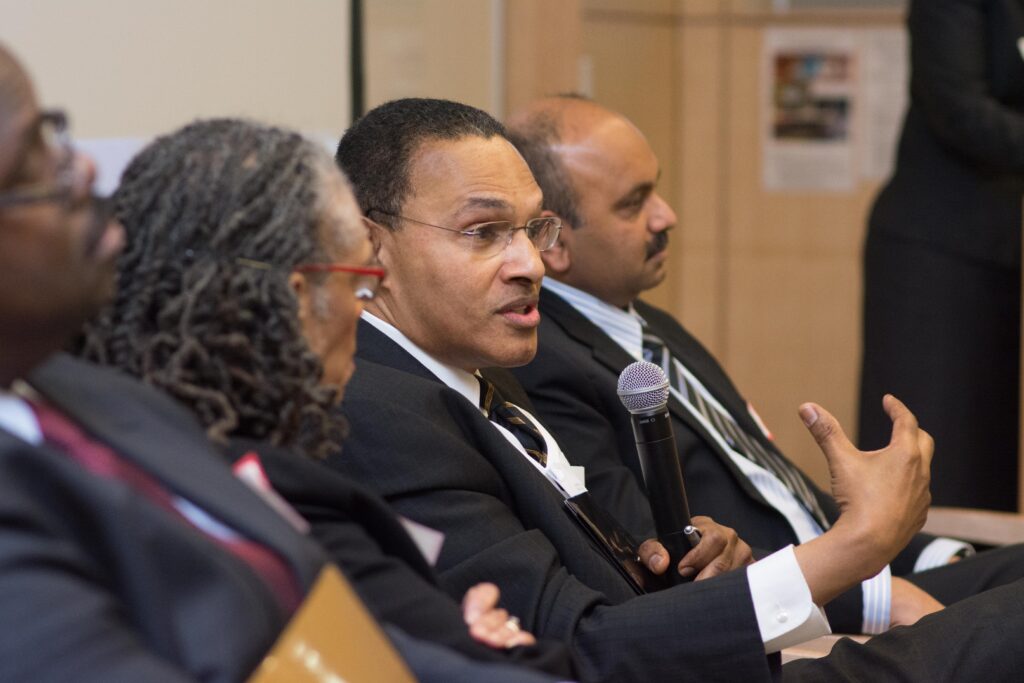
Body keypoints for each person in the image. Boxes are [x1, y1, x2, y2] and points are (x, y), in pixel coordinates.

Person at [330, 96, 1024, 681]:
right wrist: (854, 547)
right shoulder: (380, 411)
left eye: (533, 228)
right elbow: (581, 646)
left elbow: (603, 586)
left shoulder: (467, 368)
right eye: (483, 232)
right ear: (369, 249)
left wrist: (692, 562)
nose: (530, 263)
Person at [0, 44, 563, 683]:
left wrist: (473, 652)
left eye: (56, 135)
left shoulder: (93, 397)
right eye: (27, 160)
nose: (77, 168)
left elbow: (315, 617)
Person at [505, 95, 1024, 636]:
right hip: (804, 614)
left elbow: (778, 490)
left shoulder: (645, 322)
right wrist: (878, 596)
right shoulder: (546, 365)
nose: (667, 215)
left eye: (656, 187)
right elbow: (653, 560)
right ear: (555, 241)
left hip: (857, 576)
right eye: (635, 203)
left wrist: (936, 556)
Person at [859, 0, 1024, 511]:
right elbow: (959, 110)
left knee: (986, 464)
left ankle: (981, 588)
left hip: (998, 249)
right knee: (933, 460)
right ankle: (912, 589)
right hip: (933, 255)